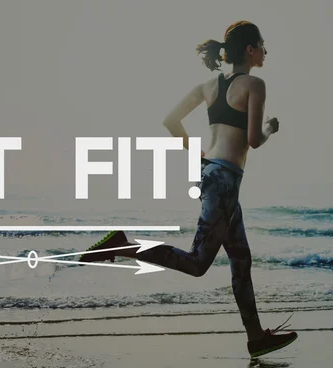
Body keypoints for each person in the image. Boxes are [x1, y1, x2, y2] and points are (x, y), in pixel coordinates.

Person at [79, 20, 298, 358]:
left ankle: (256, 337)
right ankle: (126, 245)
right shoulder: (255, 84)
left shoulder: (208, 86)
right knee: (198, 263)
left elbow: (170, 120)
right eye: (263, 45)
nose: (266, 52)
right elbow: (253, 141)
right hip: (224, 181)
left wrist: (198, 154)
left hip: (213, 174)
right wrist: (270, 127)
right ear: (250, 49)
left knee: (241, 258)